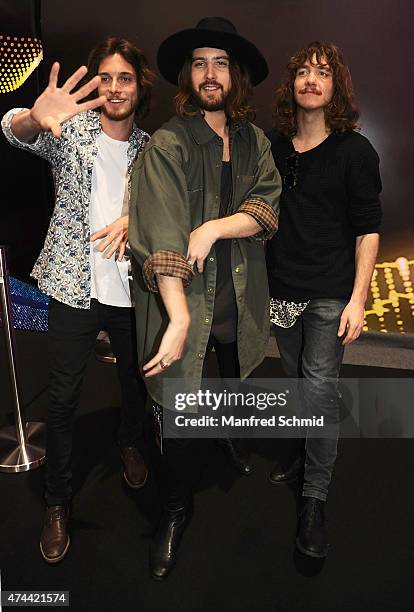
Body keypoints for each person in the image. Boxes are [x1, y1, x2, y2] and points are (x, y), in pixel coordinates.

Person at [129, 17, 281, 580]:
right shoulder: (168, 143)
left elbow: (267, 205)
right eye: (199, 63)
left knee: (227, 374)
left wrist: (215, 227)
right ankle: (174, 510)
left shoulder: (253, 141)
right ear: (187, 77)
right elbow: (162, 234)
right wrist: (177, 314)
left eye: (220, 63)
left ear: (235, 76)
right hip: (183, 308)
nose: (209, 73)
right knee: (175, 415)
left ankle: (227, 438)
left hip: (237, 303)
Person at [1, 37, 155, 563]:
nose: (114, 88)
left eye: (125, 78)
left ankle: (131, 441)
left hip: (134, 289)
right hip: (74, 286)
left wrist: (140, 220)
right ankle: (57, 502)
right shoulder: (70, 130)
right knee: (63, 400)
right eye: (107, 77)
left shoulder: (154, 147)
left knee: (135, 380)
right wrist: (30, 118)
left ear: (140, 86)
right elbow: (15, 133)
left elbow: (173, 212)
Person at [266, 41, 382, 558]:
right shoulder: (272, 146)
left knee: (317, 393)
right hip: (279, 292)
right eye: (303, 72)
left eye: (323, 72)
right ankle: (305, 455)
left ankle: (313, 501)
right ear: (292, 85)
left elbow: (369, 231)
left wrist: (359, 299)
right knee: (297, 386)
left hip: (330, 296)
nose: (311, 80)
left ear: (336, 87)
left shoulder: (356, 152)